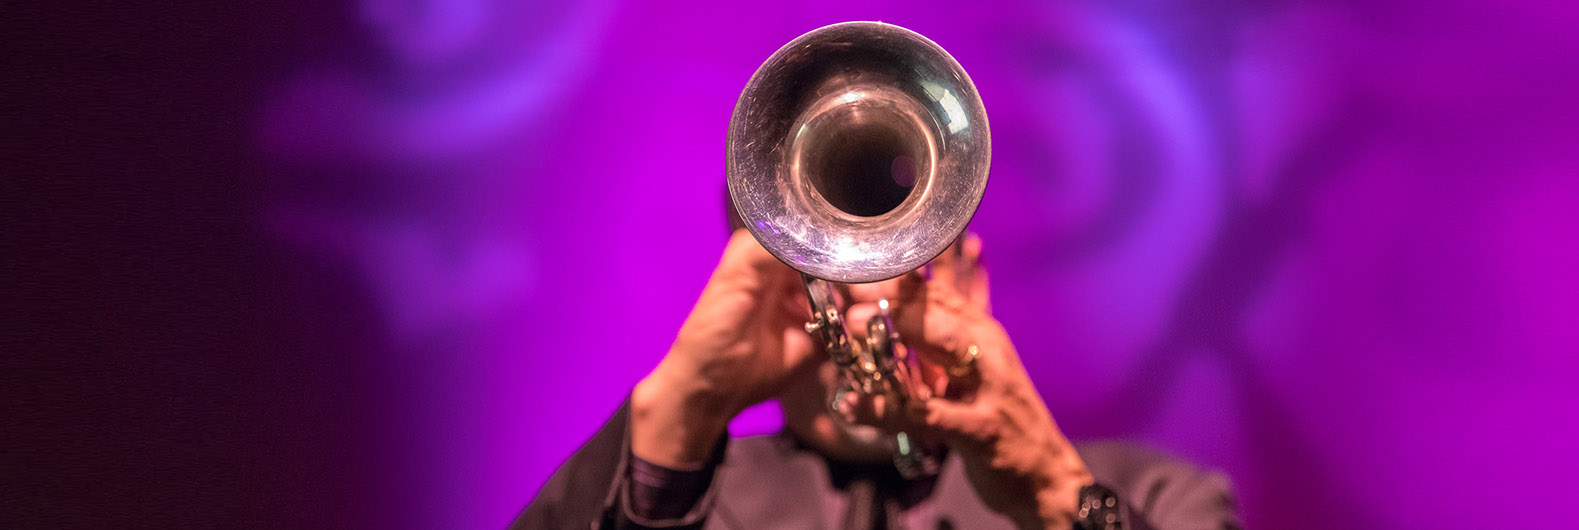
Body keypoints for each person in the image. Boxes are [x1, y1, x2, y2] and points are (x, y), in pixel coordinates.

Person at [510, 231, 1240, 530]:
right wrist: (674, 415)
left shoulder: (1155, 496)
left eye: (904, 254)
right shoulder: (689, 498)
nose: (866, 306)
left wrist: (1058, 494)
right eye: (817, 264)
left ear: (970, 281)